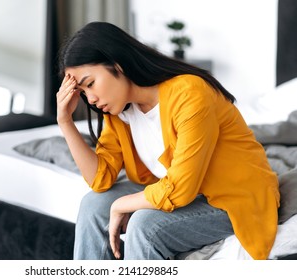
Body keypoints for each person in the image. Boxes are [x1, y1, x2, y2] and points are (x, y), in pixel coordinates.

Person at [56, 21, 279, 260]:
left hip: (231, 197)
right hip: (178, 187)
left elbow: (181, 189)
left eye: (90, 84)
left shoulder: (189, 93)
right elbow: (100, 179)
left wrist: (121, 204)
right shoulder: (120, 111)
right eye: (83, 92)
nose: (91, 98)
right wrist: (65, 122)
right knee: (93, 205)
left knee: (145, 226)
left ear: (117, 65)